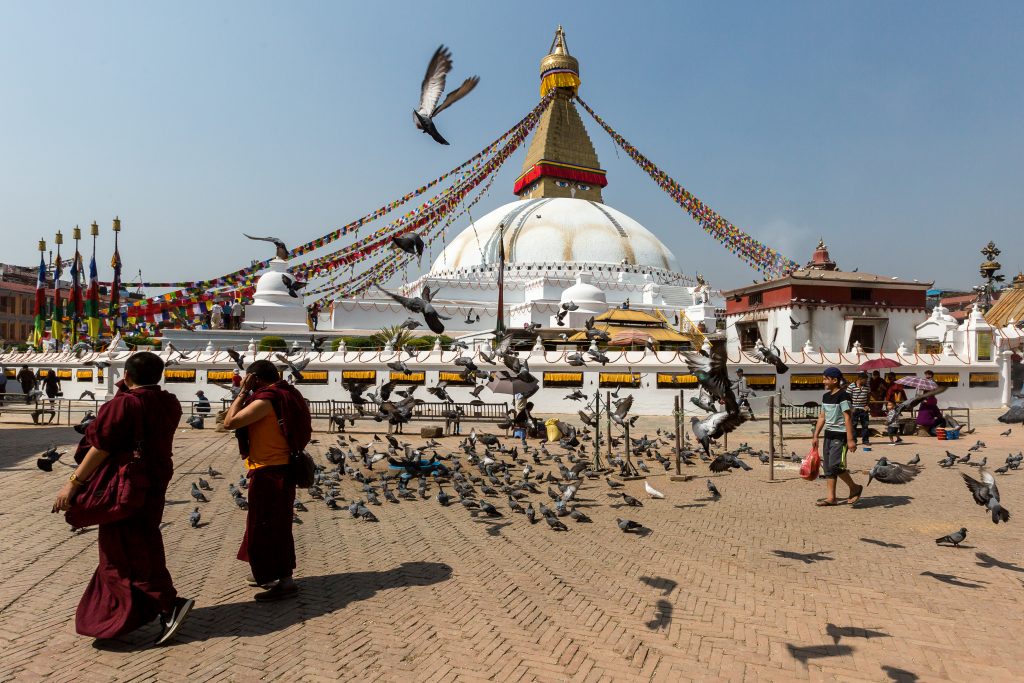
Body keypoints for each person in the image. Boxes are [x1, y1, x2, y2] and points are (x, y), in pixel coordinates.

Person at [51, 352, 192, 646]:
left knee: (126, 547)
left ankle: (168, 603)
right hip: (155, 478)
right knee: (142, 538)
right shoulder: (169, 402)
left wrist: (72, 484)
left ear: (126, 375)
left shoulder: (123, 404)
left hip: (126, 485)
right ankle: (131, 612)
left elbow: (101, 447)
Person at [223, 360, 308, 602]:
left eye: (248, 379)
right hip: (283, 466)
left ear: (254, 379)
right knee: (271, 524)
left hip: (269, 471)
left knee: (268, 526)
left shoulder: (265, 400)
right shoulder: (289, 393)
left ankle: (284, 580)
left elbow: (230, 422)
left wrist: (242, 392)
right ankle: (266, 571)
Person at [811, 367, 862, 506]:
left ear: (835, 380)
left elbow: (848, 418)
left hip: (840, 437)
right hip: (828, 435)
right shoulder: (825, 397)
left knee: (835, 465)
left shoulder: (843, 396)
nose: (824, 381)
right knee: (828, 467)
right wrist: (816, 435)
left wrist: (851, 440)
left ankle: (854, 487)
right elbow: (822, 416)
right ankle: (831, 498)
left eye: (826, 378)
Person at [848, 372, 871, 446]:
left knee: (865, 425)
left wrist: (867, 405)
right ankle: (854, 440)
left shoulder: (867, 386)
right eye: (865, 380)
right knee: (853, 425)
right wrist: (851, 407)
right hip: (854, 409)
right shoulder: (851, 386)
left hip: (864, 409)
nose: (866, 381)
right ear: (860, 379)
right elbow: (848, 397)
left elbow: (868, 396)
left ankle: (865, 440)